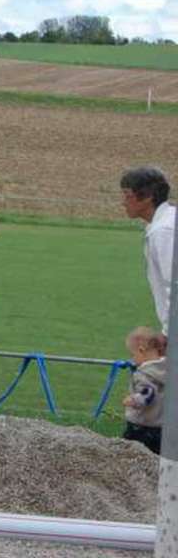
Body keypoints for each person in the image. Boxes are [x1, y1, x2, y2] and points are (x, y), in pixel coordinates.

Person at [120, 167, 175, 345]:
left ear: (148, 197)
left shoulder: (164, 231)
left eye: (128, 196)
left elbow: (173, 285)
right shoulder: (167, 221)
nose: (123, 202)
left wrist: (169, 334)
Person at [122, 326, 166, 454]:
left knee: (127, 455)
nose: (132, 359)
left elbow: (148, 393)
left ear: (141, 350)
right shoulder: (168, 368)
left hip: (141, 428)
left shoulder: (145, 374)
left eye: (132, 354)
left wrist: (134, 400)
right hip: (162, 427)